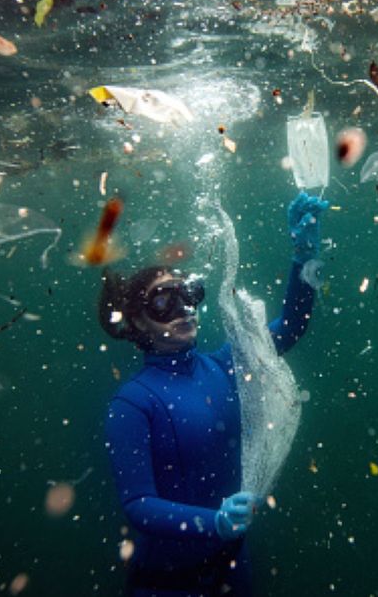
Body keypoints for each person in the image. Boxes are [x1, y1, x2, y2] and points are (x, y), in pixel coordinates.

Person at [98, 192, 329, 596]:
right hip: (166, 586)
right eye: (164, 301)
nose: (184, 308)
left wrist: (304, 254)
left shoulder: (225, 365)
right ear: (137, 320)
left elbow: (291, 325)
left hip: (233, 569)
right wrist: (213, 521)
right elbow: (138, 504)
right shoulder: (132, 404)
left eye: (189, 294)